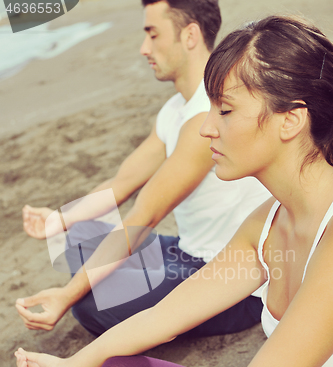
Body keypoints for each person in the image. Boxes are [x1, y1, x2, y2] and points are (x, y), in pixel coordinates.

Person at [15, 14, 333, 367]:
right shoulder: (269, 221)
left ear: (292, 119)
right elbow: (164, 317)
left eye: (225, 111)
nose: (206, 129)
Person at [15, 0, 270, 338]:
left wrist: (66, 295)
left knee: (87, 306)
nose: (143, 48)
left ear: (190, 34)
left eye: (153, 34)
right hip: (187, 249)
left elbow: (144, 216)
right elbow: (122, 183)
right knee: (77, 236)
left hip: (230, 281)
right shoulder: (174, 109)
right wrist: (58, 220)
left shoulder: (209, 118)